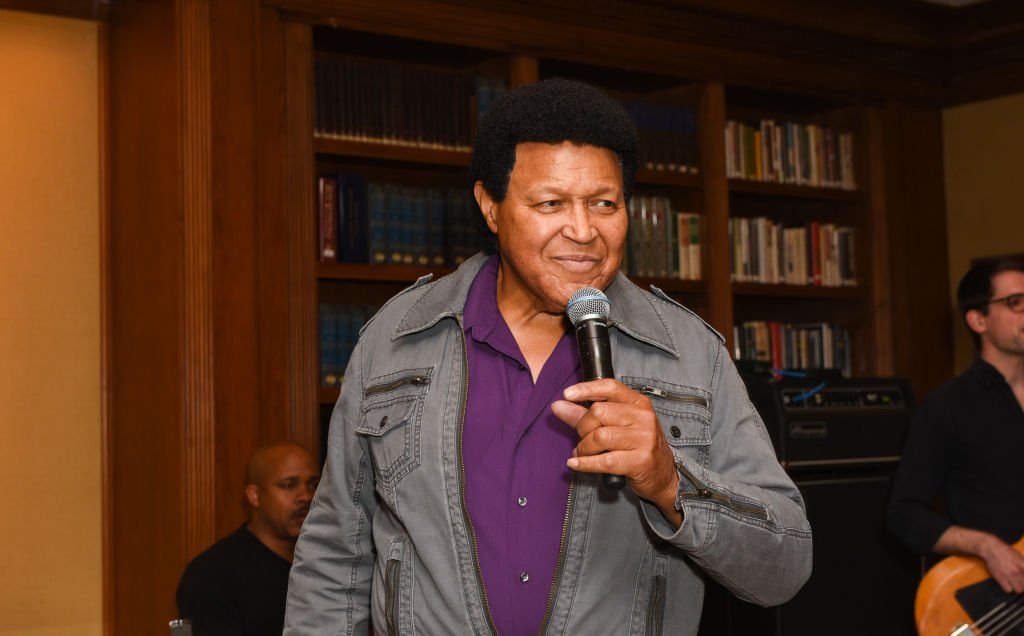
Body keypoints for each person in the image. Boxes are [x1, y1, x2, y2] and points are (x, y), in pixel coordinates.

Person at [284, 78, 812, 635]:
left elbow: (785, 568)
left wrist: (670, 482)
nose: (583, 230)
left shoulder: (689, 353)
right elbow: (333, 557)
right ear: (490, 206)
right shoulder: (395, 338)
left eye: (603, 203)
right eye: (550, 203)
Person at [888, 258, 1024, 594]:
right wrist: (986, 546)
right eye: (1015, 302)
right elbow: (904, 515)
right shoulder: (947, 407)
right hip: (996, 598)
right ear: (978, 320)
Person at [177, 442, 321, 635]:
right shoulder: (213, 575)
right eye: (289, 485)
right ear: (254, 495)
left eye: (313, 484)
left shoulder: (326, 562)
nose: (306, 496)